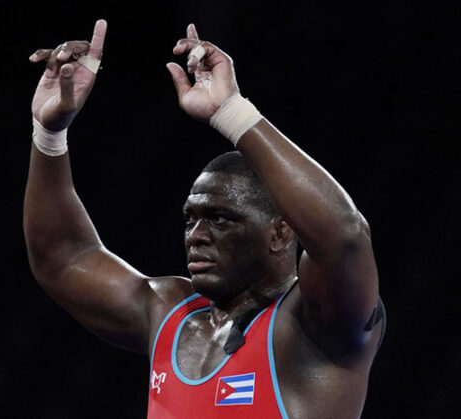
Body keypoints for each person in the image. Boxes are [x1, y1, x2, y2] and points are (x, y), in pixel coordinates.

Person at [23, 19, 385, 418]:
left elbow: (345, 238)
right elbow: (63, 258)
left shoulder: (316, 325)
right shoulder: (168, 313)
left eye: (220, 219)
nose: (195, 235)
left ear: (281, 232)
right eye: (190, 219)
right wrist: (49, 134)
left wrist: (233, 113)